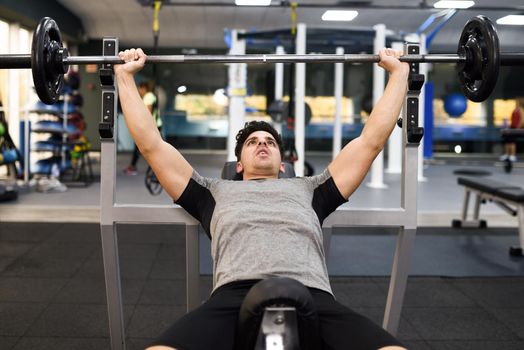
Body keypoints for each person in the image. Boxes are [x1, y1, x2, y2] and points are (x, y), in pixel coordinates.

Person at [115, 47, 409, 350]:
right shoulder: (211, 193)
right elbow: (151, 145)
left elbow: (370, 142)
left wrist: (398, 73)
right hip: (233, 296)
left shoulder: (311, 189)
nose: (262, 145)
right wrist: (124, 77)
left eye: (269, 142)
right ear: (238, 164)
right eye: (253, 142)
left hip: (312, 294)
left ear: (283, 164)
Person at [124, 80, 163, 175]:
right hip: (155, 125)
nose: (139, 92)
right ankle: (155, 170)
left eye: (139, 89)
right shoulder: (150, 96)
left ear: (143, 88)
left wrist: (142, 126)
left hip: (152, 126)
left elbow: (147, 113)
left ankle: (134, 168)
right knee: (142, 147)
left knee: (140, 147)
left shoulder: (148, 96)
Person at [500, 98, 524, 162]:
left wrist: (518, 128)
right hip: (512, 127)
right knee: (507, 139)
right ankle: (507, 154)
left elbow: (522, 120)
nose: (516, 103)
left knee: (512, 140)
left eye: (517, 102)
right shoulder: (514, 109)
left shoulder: (521, 110)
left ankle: (512, 155)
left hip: (517, 129)